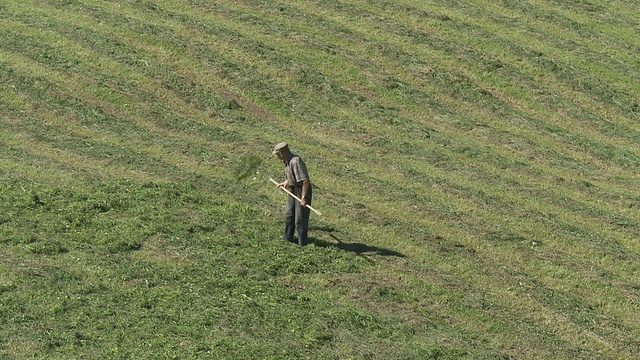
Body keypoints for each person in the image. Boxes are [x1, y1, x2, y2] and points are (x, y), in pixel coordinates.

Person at [272, 142, 313, 246]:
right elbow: (293, 175)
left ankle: (302, 243)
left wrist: (304, 197)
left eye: (278, 154)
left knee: (300, 219)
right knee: (289, 215)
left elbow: (305, 181)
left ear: (282, 153)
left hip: (302, 190)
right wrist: (286, 182)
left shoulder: (296, 161)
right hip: (292, 189)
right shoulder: (287, 161)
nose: (277, 157)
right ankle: (287, 239)